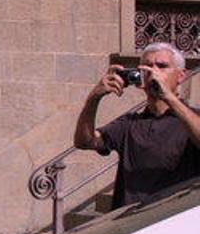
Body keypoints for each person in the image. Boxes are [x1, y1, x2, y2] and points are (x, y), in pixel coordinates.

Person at [73, 42, 200, 209]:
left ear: (181, 76)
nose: (153, 72)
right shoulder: (129, 123)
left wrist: (169, 97)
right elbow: (85, 141)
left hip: (173, 224)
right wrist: (93, 99)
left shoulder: (192, 118)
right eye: (147, 67)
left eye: (162, 66)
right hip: (130, 225)